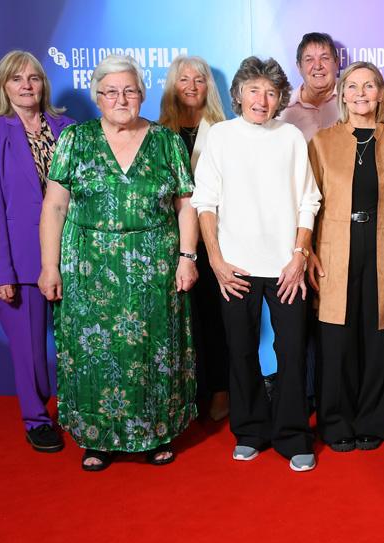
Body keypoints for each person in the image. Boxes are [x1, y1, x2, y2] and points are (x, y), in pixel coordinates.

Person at [38, 54, 198, 471]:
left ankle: (157, 433)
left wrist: (187, 257)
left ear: (142, 94)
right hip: (87, 268)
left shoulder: (166, 141)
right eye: (111, 91)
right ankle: (97, 438)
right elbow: (55, 207)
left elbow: (185, 206)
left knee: (153, 351)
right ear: (97, 97)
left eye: (129, 89)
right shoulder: (74, 140)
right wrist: (49, 266)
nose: (121, 98)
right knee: (94, 352)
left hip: (155, 266)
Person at [191, 56, 322, 472]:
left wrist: (300, 255)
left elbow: (309, 200)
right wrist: (215, 260)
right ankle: (249, 431)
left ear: (280, 97)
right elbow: (204, 202)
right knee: (242, 350)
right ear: (238, 95)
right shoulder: (222, 137)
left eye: (270, 92)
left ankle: (293, 435)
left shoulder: (291, 138)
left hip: (286, 266)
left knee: (291, 351)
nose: (261, 99)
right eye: (253, 90)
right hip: (235, 266)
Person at [307, 61, 384, 452]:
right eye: (352, 86)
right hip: (334, 248)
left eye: (369, 86)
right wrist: (305, 251)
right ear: (342, 94)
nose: (360, 93)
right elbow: (308, 203)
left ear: (380, 94)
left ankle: (374, 418)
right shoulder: (322, 142)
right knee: (337, 336)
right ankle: (336, 420)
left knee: (378, 336)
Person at [0, 50, 75, 452]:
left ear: (43, 84)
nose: (27, 85)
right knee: (30, 352)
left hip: (70, 255)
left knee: (77, 342)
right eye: (17, 79)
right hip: (17, 260)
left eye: (33, 77)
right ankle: (36, 418)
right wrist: (1, 274)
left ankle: (76, 410)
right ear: (3, 86)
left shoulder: (68, 129)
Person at [158, 55, 230, 421]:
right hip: (167, 241)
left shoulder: (223, 129)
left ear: (208, 87)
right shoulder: (155, 131)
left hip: (214, 238)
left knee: (213, 319)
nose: (190, 85)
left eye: (198, 79)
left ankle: (220, 389)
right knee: (176, 323)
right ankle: (183, 392)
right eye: (182, 79)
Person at [279, 32, 340, 141]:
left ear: (336, 63)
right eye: (309, 59)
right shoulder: (282, 109)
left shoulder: (354, 99)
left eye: (325, 58)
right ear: (299, 67)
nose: (317, 66)